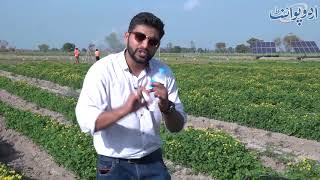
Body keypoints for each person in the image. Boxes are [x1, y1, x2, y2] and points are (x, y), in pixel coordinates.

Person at [76, 12, 186, 180]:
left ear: (157, 45)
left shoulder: (164, 73)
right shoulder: (102, 70)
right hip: (114, 167)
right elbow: (87, 122)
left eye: (152, 41)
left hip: (153, 162)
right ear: (127, 36)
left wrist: (167, 107)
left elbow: (176, 127)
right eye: (139, 37)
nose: (145, 44)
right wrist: (125, 110)